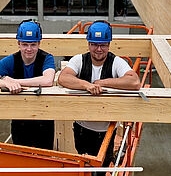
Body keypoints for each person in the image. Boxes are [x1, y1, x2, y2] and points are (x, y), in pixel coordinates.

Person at [58, 21, 140, 174]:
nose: (99, 49)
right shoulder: (79, 60)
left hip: (107, 130)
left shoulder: (115, 62)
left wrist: (102, 82)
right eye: (95, 44)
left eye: (103, 45)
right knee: (85, 166)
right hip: (82, 128)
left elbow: (134, 81)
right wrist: (86, 85)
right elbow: (63, 78)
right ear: (88, 44)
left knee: (102, 167)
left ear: (109, 45)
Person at [0, 19, 55, 149]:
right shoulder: (11, 60)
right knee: (21, 157)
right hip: (20, 118)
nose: (29, 49)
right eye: (25, 44)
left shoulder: (46, 58)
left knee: (44, 158)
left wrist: (15, 82)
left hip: (43, 117)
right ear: (19, 43)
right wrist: (6, 84)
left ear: (39, 43)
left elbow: (47, 80)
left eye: (33, 45)